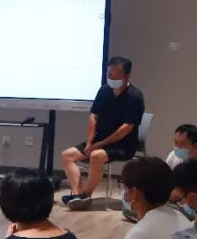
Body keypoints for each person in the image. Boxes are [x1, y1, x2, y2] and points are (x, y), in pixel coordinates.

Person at [61, 56, 145, 209]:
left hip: (123, 145)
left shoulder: (135, 97)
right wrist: (89, 142)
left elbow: (126, 128)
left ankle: (86, 195)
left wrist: (100, 144)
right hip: (98, 141)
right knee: (67, 155)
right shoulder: (103, 91)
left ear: (127, 76)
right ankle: (78, 195)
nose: (111, 79)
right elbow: (93, 117)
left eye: (116, 76)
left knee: (96, 155)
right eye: (109, 74)